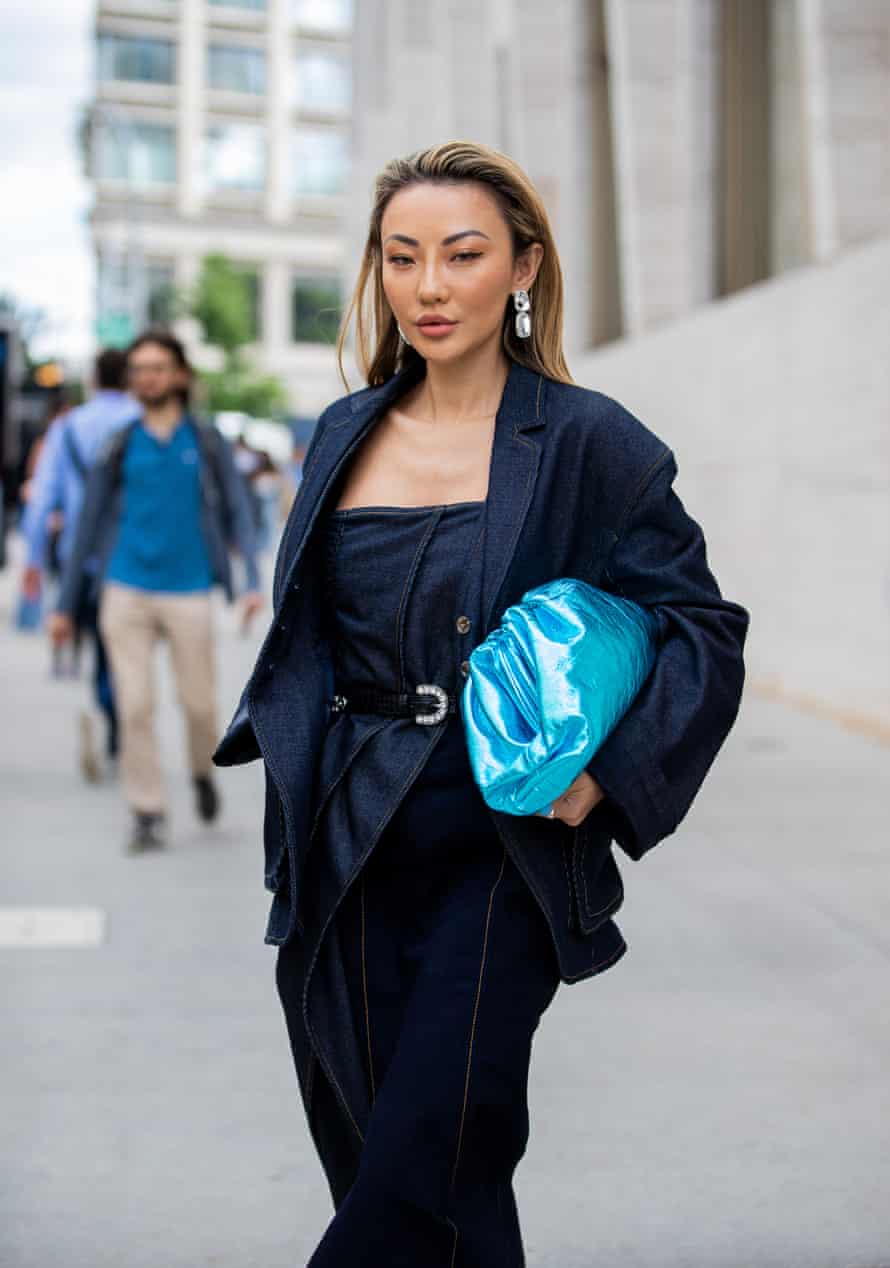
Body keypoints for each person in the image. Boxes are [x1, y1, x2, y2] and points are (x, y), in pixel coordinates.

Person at [213, 141, 750, 1266]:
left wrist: (606, 778)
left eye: (461, 255)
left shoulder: (587, 439)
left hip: (501, 849)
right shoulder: (341, 433)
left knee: (424, 1151)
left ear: (521, 267)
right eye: (401, 257)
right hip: (343, 843)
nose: (428, 285)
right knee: (408, 1169)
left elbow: (700, 623)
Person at [50, 331, 263, 853]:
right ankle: (147, 810)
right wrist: (64, 605)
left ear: (180, 375)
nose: (147, 377)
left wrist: (253, 582)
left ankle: (199, 774)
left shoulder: (205, 440)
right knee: (135, 706)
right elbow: (87, 524)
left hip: (189, 591)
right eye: (139, 369)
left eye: (158, 367)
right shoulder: (118, 445)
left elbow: (238, 508)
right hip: (125, 591)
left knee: (198, 706)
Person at [21, 351, 136, 773]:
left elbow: (40, 500)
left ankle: (110, 706)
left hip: (79, 557)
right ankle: (119, 713)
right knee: (119, 646)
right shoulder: (140, 422)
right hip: (130, 556)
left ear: (93, 378)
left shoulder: (67, 427)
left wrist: (33, 560)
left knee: (97, 640)